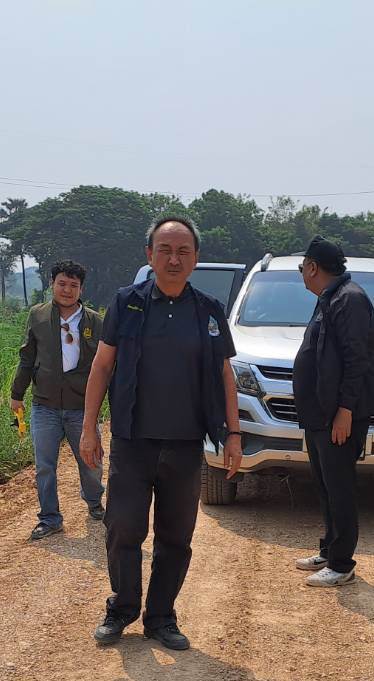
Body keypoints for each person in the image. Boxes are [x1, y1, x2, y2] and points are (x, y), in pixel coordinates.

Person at [79, 217, 242, 651]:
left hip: (186, 444)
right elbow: (102, 366)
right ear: (149, 255)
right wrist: (89, 428)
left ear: (195, 258)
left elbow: (224, 374)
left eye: (183, 251)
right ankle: (122, 608)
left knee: (176, 536)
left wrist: (234, 434)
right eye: (165, 250)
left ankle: (161, 617)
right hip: (133, 441)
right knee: (123, 527)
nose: (174, 258)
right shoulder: (127, 303)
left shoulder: (209, 310)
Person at [290, 236, 374, 587]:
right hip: (321, 413)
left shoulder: (350, 300)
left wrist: (345, 409)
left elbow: (356, 360)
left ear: (313, 267)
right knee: (325, 485)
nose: (302, 273)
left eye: (302, 267)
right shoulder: (329, 298)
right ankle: (329, 550)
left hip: (339, 415)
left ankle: (342, 563)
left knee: (340, 486)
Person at [10, 259, 105, 540]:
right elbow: (27, 358)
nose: (67, 290)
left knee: (91, 461)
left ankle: (94, 501)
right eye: (62, 283)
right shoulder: (38, 316)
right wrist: (17, 395)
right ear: (52, 284)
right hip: (45, 406)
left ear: (81, 288)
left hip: (81, 407)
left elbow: (105, 366)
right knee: (44, 466)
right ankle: (50, 518)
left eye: (73, 285)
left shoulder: (94, 322)